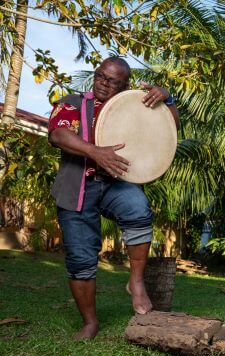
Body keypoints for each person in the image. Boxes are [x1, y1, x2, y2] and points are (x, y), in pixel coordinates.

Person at [48, 57, 180, 339]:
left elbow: (170, 128)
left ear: (125, 86)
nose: (104, 84)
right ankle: (90, 322)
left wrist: (166, 98)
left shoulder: (133, 104)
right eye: (100, 77)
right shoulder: (73, 102)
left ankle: (136, 282)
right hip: (78, 185)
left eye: (113, 81)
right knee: (81, 257)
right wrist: (95, 151)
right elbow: (58, 135)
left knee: (138, 209)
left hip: (115, 183)